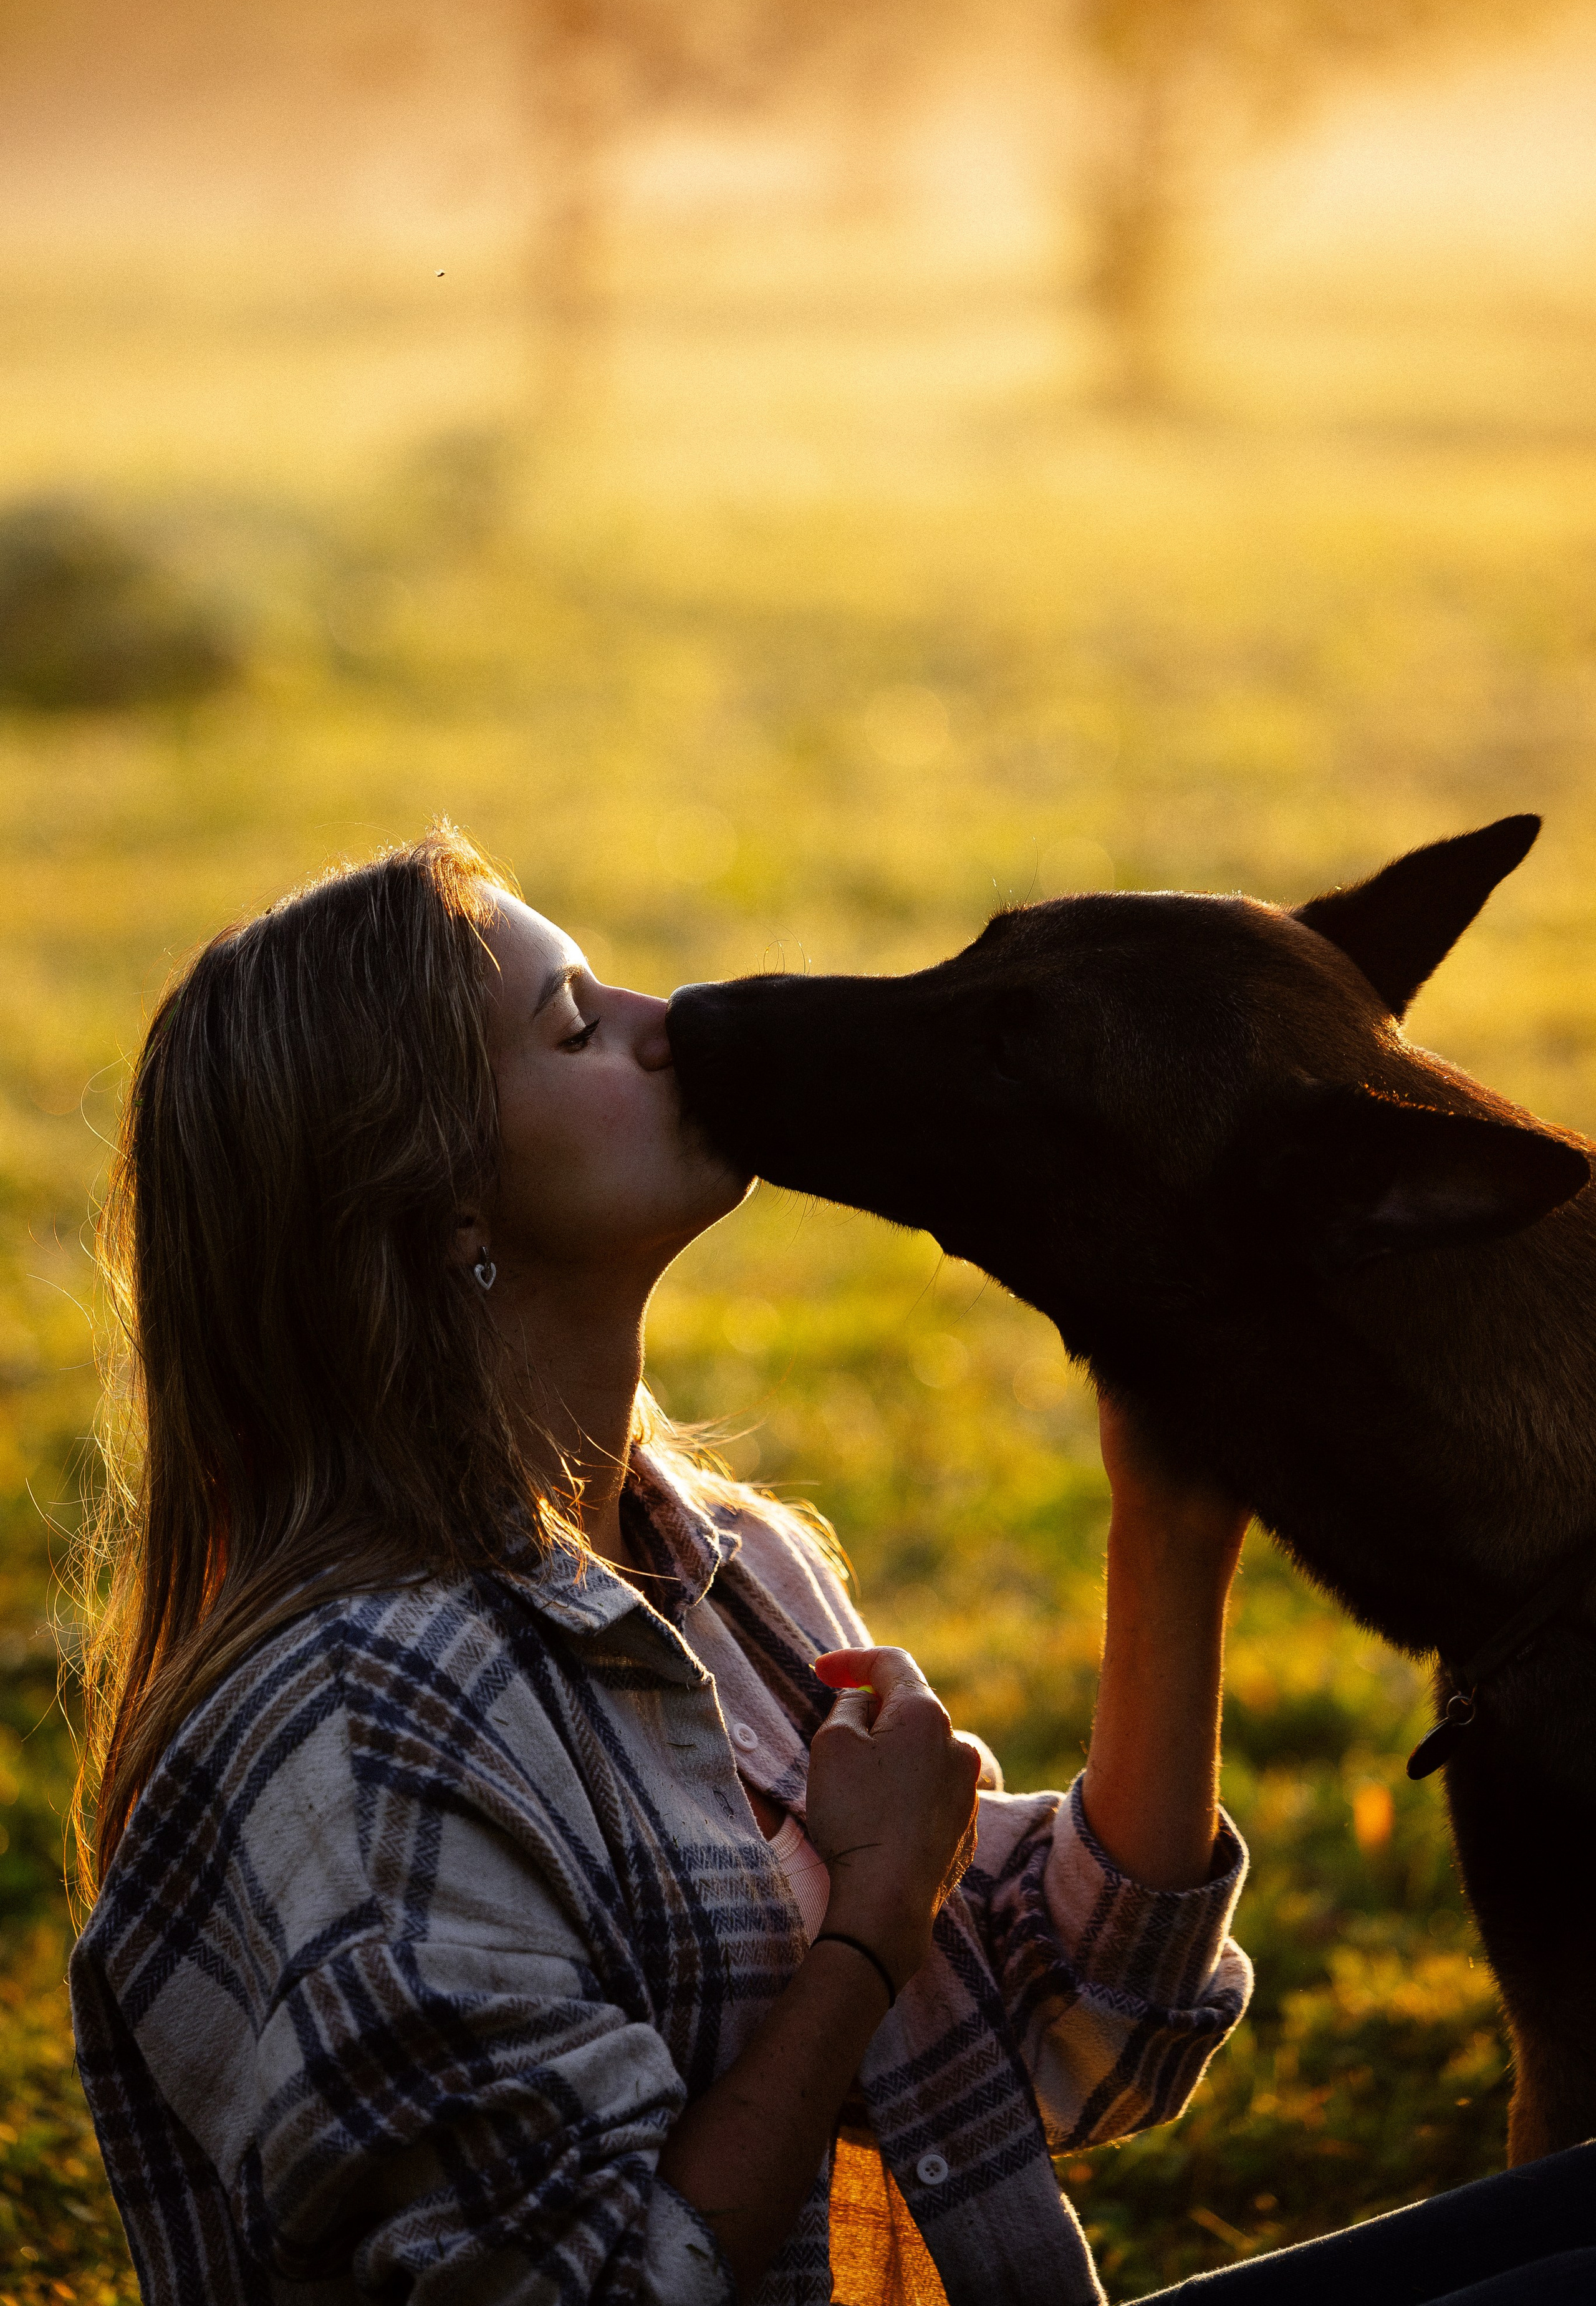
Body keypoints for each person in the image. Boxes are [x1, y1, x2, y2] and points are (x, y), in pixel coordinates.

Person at [69, 824, 1256, 2305]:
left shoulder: (725, 1565)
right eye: (576, 1023)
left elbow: (1093, 2037)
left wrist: (1166, 1530)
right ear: (444, 1206)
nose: (671, 1018)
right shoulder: (365, 1725)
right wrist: (867, 1930)